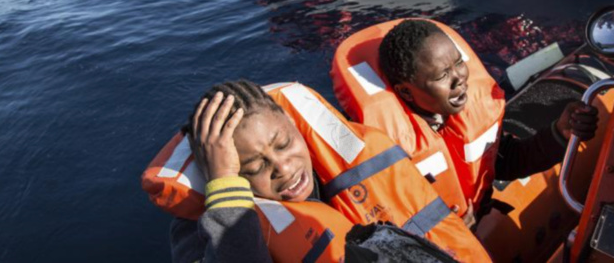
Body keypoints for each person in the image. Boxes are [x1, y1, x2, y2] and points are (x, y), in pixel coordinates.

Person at [160, 80, 491, 262]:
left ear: (292, 123)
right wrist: (224, 186)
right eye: (254, 167)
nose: (284, 168)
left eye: (283, 143)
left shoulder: (355, 149)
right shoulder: (201, 235)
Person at [377, 19, 599, 220]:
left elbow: (505, 162)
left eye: (458, 63)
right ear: (406, 92)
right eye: (443, 75)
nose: (460, 79)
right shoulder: (385, 151)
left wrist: (560, 134)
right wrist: (448, 234)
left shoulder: (462, 114)